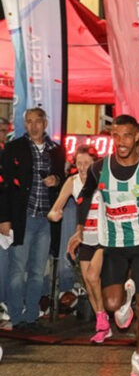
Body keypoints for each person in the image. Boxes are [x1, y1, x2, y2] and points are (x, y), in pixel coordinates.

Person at [69, 115, 139, 376]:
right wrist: (81, 228)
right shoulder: (98, 168)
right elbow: (84, 196)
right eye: (116, 136)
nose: (121, 142)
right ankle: (124, 299)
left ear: (138, 136)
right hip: (114, 244)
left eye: (127, 136)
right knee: (111, 303)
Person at [0, 108, 66, 330]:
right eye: (29, 122)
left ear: (45, 123)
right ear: (25, 124)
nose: (33, 126)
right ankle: (17, 316)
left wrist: (56, 180)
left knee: (38, 270)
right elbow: (5, 186)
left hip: (46, 219)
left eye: (37, 121)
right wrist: (4, 218)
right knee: (17, 269)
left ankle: (32, 316)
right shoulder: (14, 148)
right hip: (23, 217)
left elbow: (63, 179)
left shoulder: (56, 150)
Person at [48, 146, 106, 342]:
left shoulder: (103, 179)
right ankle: (102, 320)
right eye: (79, 163)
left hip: (105, 236)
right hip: (85, 237)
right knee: (89, 284)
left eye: (87, 164)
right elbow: (55, 208)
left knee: (92, 276)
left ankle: (105, 319)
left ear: (95, 164)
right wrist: (55, 214)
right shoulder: (72, 182)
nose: (82, 168)